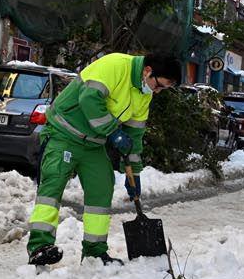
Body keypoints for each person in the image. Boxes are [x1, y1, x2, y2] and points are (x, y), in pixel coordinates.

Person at [26, 51, 181, 266]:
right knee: (53, 185)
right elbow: (89, 98)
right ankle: (40, 247)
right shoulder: (115, 65)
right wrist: (113, 132)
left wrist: (134, 174)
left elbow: (135, 136)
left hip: (93, 143)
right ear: (148, 71)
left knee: (102, 188)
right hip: (64, 132)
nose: (158, 92)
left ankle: (94, 253)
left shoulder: (144, 94)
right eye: (159, 86)